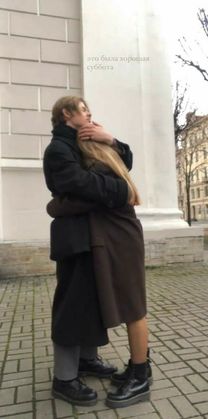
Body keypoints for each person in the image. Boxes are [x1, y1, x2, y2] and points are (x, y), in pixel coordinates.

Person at [43, 96, 151, 409]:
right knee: (72, 304)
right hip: (75, 237)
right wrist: (120, 190)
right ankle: (64, 378)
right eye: (84, 110)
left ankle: (87, 360)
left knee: (89, 301)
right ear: (67, 114)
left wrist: (113, 140)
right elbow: (82, 183)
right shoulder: (59, 149)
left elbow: (117, 163)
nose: (90, 115)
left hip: (96, 235)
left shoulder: (84, 141)